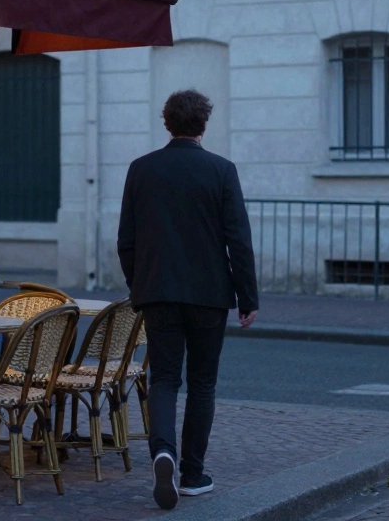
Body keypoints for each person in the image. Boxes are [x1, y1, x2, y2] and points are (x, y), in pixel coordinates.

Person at [117, 89, 259, 511]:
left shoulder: (141, 170)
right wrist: (247, 296)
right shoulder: (221, 170)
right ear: (203, 124)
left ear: (168, 123)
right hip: (209, 295)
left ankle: (164, 454)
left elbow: (127, 241)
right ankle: (193, 473)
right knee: (202, 383)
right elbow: (239, 240)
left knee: (163, 379)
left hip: (158, 291)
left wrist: (139, 284)